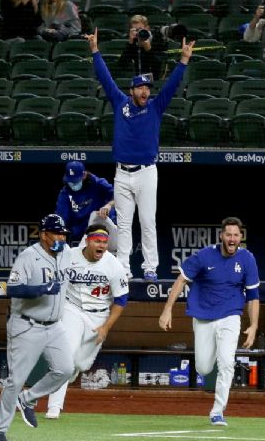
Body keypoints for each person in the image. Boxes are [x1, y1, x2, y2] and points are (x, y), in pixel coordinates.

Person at [87, 27, 194, 282]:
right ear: (133, 90)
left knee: (147, 222)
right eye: (141, 88)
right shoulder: (121, 103)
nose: (145, 91)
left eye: (147, 87)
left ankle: (149, 268)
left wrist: (184, 61)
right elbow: (105, 78)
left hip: (146, 172)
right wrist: (95, 51)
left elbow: (171, 85)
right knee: (124, 225)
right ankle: (124, 268)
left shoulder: (155, 106)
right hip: (122, 172)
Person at [159, 217, 260, 426]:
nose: (232, 238)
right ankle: (216, 352)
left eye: (236, 235)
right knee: (204, 368)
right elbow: (181, 279)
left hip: (231, 315)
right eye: (228, 234)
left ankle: (217, 411)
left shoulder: (247, 259)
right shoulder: (205, 256)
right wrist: (167, 309)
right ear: (222, 236)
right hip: (204, 317)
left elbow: (253, 296)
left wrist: (253, 325)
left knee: (226, 363)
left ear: (240, 237)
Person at [0, 214, 72, 441]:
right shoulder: (29, 256)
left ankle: (28, 399)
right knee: (16, 380)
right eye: (56, 233)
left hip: (54, 326)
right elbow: (12, 288)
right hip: (26, 325)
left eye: (63, 234)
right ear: (44, 235)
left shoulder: (67, 254)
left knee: (65, 369)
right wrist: (41, 288)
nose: (61, 238)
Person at [45, 225, 129, 419]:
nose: (102, 245)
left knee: (81, 364)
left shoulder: (114, 265)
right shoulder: (69, 256)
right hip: (71, 309)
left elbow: (121, 300)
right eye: (98, 241)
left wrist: (106, 327)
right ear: (88, 241)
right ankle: (54, 407)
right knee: (67, 352)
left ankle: (71, 371)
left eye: (105, 242)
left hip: (98, 316)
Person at [55, 160, 118, 253]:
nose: (73, 184)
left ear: (84, 175)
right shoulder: (65, 193)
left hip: (106, 231)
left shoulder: (98, 183)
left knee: (95, 215)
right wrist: (58, 238)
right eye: (70, 181)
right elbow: (61, 219)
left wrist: (109, 205)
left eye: (76, 181)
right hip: (83, 235)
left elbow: (119, 197)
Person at [118, 15, 168, 80]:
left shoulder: (157, 40)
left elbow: (159, 68)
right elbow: (122, 65)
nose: (138, 33)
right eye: (135, 30)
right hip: (136, 82)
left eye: (140, 30)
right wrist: (130, 43)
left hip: (154, 82)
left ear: (147, 28)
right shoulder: (132, 43)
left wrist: (149, 49)